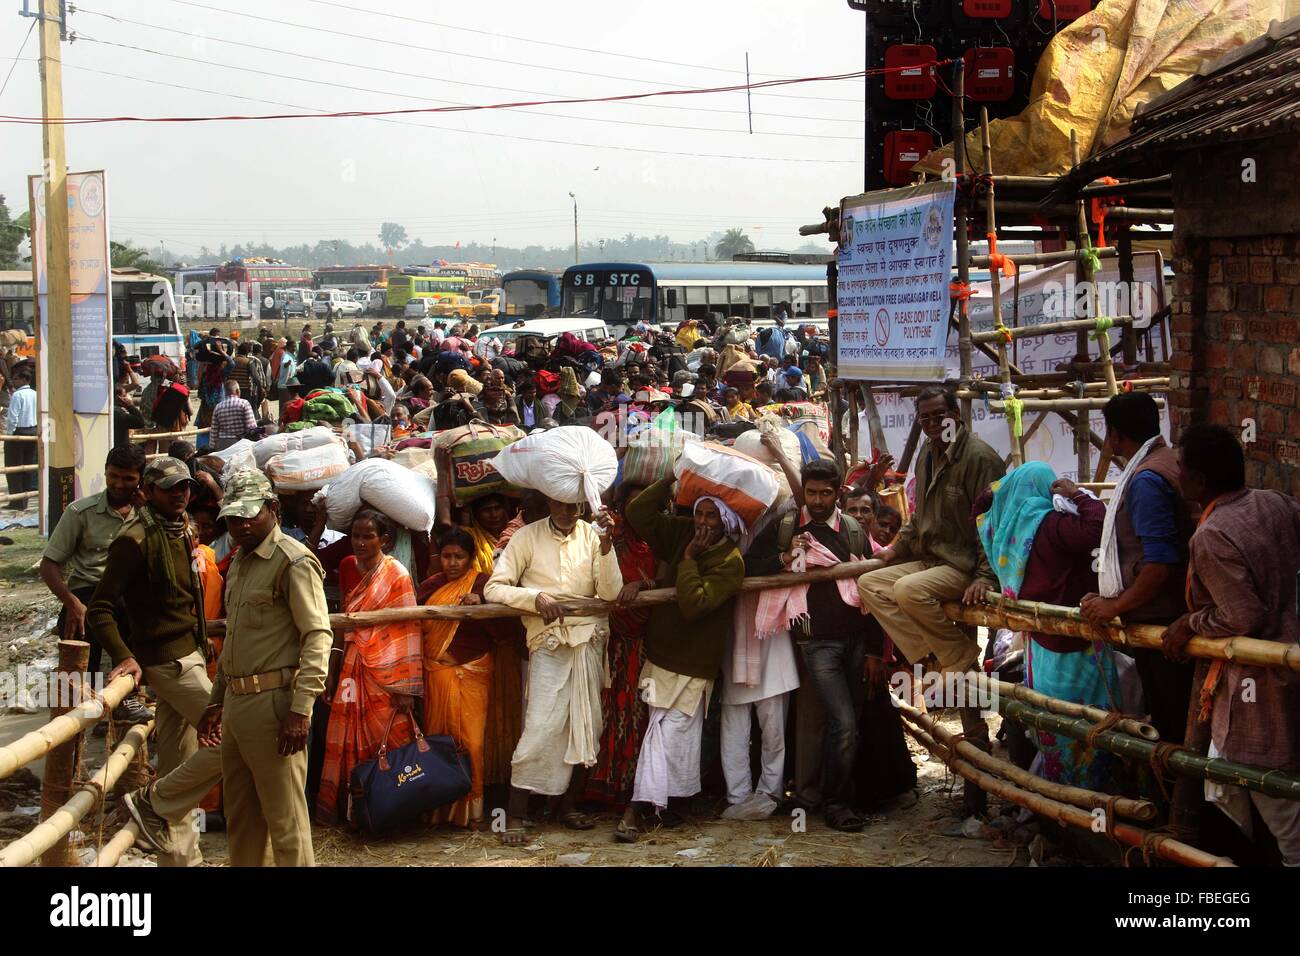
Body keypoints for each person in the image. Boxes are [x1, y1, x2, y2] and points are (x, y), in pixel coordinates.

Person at [857, 384, 1005, 818]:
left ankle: (956, 655)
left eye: (938, 415)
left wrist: (984, 575)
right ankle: (930, 657)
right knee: (873, 584)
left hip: (961, 567)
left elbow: (993, 521)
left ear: (954, 414)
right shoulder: (926, 455)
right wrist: (891, 552)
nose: (932, 424)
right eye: (924, 418)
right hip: (929, 558)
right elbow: (918, 518)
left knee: (906, 591)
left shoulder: (979, 457)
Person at [1161, 424, 1300, 865]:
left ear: (1199, 481)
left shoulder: (1212, 534)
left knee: (1280, 805)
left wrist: (1191, 621)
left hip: (1258, 682)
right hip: (1289, 662)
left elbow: (1242, 615)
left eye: (1181, 469)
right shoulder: (1273, 503)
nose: (1176, 475)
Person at [89, 456, 224, 866]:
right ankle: (151, 802)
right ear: (146, 492)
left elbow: (188, 601)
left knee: (177, 763)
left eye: (184, 486)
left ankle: (181, 860)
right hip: (168, 663)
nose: (180, 494)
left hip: (190, 654)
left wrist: (202, 640)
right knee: (237, 739)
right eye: (170, 488)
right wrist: (126, 655)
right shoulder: (135, 540)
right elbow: (100, 609)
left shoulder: (178, 529)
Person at [196, 469, 332, 865]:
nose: (239, 525)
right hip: (237, 703)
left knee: (285, 819)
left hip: (276, 704)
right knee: (242, 818)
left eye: (248, 515)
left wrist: (301, 708)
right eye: (232, 518)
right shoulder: (239, 562)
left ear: (272, 509)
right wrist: (215, 700)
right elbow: (236, 638)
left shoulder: (292, 561)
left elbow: (317, 636)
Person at [746, 458, 883, 830]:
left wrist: (873, 650)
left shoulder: (854, 529)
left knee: (843, 723)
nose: (818, 500)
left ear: (838, 493)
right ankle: (837, 805)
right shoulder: (787, 525)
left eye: (825, 493)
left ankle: (825, 797)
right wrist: (784, 556)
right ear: (803, 491)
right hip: (815, 642)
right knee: (843, 721)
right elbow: (748, 565)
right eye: (812, 492)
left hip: (854, 638)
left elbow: (872, 592)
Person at [973, 462, 1127, 790]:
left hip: (1040, 647)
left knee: (1054, 723)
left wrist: (994, 492)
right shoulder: (1047, 523)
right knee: (1089, 725)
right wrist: (1079, 496)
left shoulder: (1003, 532)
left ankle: (1060, 798)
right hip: (1077, 644)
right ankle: (1093, 799)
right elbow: (1099, 527)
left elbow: (980, 509)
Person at [484, 497, 623, 844]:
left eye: (573, 506)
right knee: (541, 727)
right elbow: (493, 588)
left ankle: (567, 807)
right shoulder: (526, 537)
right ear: (548, 501)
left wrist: (607, 546)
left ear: (581, 506)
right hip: (549, 643)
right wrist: (536, 598)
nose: (566, 512)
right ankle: (515, 815)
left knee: (585, 724)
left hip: (589, 641)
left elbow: (611, 592)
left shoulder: (594, 537)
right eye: (560, 505)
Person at [617, 480, 745, 840]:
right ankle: (663, 805)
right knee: (664, 732)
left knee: (672, 734)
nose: (703, 523)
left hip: (694, 663)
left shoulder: (730, 561)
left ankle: (638, 809)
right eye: (700, 513)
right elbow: (637, 513)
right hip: (661, 655)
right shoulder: (680, 531)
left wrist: (688, 561)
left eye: (712, 517)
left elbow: (694, 605)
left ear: (725, 523)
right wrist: (673, 479)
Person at [1080, 392, 1193, 743]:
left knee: (1172, 723)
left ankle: (1179, 798)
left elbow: (1159, 565)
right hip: (1173, 612)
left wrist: (1113, 606)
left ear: (1114, 436)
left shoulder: (1145, 481)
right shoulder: (1168, 460)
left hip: (1162, 620)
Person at [316, 509, 423, 826]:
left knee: (390, 735)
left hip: (388, 672)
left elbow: (408, 628)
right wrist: (332, 671)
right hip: (352, 663)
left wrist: (404, 687)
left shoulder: (397, 574)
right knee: (345, 732)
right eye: (355, 536)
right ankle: (353, 813)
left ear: (385, 540)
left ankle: (393, 810)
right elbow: (343, 622)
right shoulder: (348, 565)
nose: (360, 543)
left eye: (368, 536)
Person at [417, 528, 524, 828]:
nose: (452, 563)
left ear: (471, 558)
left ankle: (473, 811)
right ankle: (440, 811)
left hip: (473, 672)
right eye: (447, 556)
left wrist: (482, 607)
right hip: (436, 673)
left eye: (459, 557)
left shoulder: (484, 585)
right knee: (440, 740)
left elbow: (505, 633)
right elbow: (416, 628)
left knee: (472, 743)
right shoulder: (428, 587)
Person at [39, 444, 151, 723]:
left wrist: (147, 510)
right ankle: (71, 721)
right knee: (77, 678)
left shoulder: (150, 514)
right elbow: (49, 565)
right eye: (113, 476)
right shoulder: (80, 512)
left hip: (130, 597)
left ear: (140, 479)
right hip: (88, 594)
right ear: (105, 473)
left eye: (128, 478)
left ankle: (126, 701)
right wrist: (72, 603)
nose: (118, 484)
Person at [584, 482, 658, 807]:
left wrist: (643, 584)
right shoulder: (608, 535)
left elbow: (669, 580)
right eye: (631, 503)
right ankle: (600, 788)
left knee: (635, 712)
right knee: (605, 712)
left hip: (642, 645)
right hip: (607, 642)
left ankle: (631, 791)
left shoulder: (657, 539)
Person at [3, 367, 37, 509]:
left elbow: (13, 418)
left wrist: (10, 435)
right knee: (27, 468)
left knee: (14, 468)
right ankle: (24, 501)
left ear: (24, 379)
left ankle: (16, 501)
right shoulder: (35, 394)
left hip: (19, 432)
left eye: (16, 378)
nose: (14, 381)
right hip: (33, 431)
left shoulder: (18, 395)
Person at [209, 380, 257, 452]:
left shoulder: (218, 407)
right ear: (237, 391)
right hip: (240, 445)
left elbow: (214, 431)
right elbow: (251, 428)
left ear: (225, 393)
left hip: (222, 445)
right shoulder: (244, 403)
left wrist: (212, 448)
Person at [112, 383, 147, 448]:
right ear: (119, 398)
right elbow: (140, 422)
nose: (128, 397)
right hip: (120, 451)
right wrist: (130, 405)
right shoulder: (118, 414)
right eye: (125, 395)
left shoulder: (113, 411)